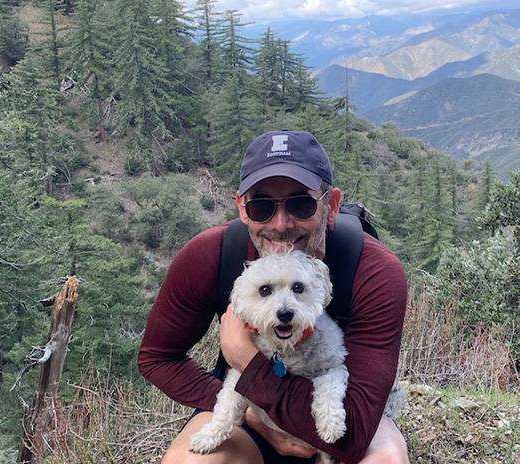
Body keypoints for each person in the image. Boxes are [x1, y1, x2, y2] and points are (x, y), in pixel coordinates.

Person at [138, 129, 410, 464]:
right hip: (247, 407)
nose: (281, 224)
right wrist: (253, 411)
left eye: (301, 203)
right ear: (241, 207)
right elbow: (157, 357)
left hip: (344, 413)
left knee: (383, 460)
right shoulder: (210, 255)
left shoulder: (375, 272)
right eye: (262, 206)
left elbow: (353, 437)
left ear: (332, 204)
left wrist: (246, 358)